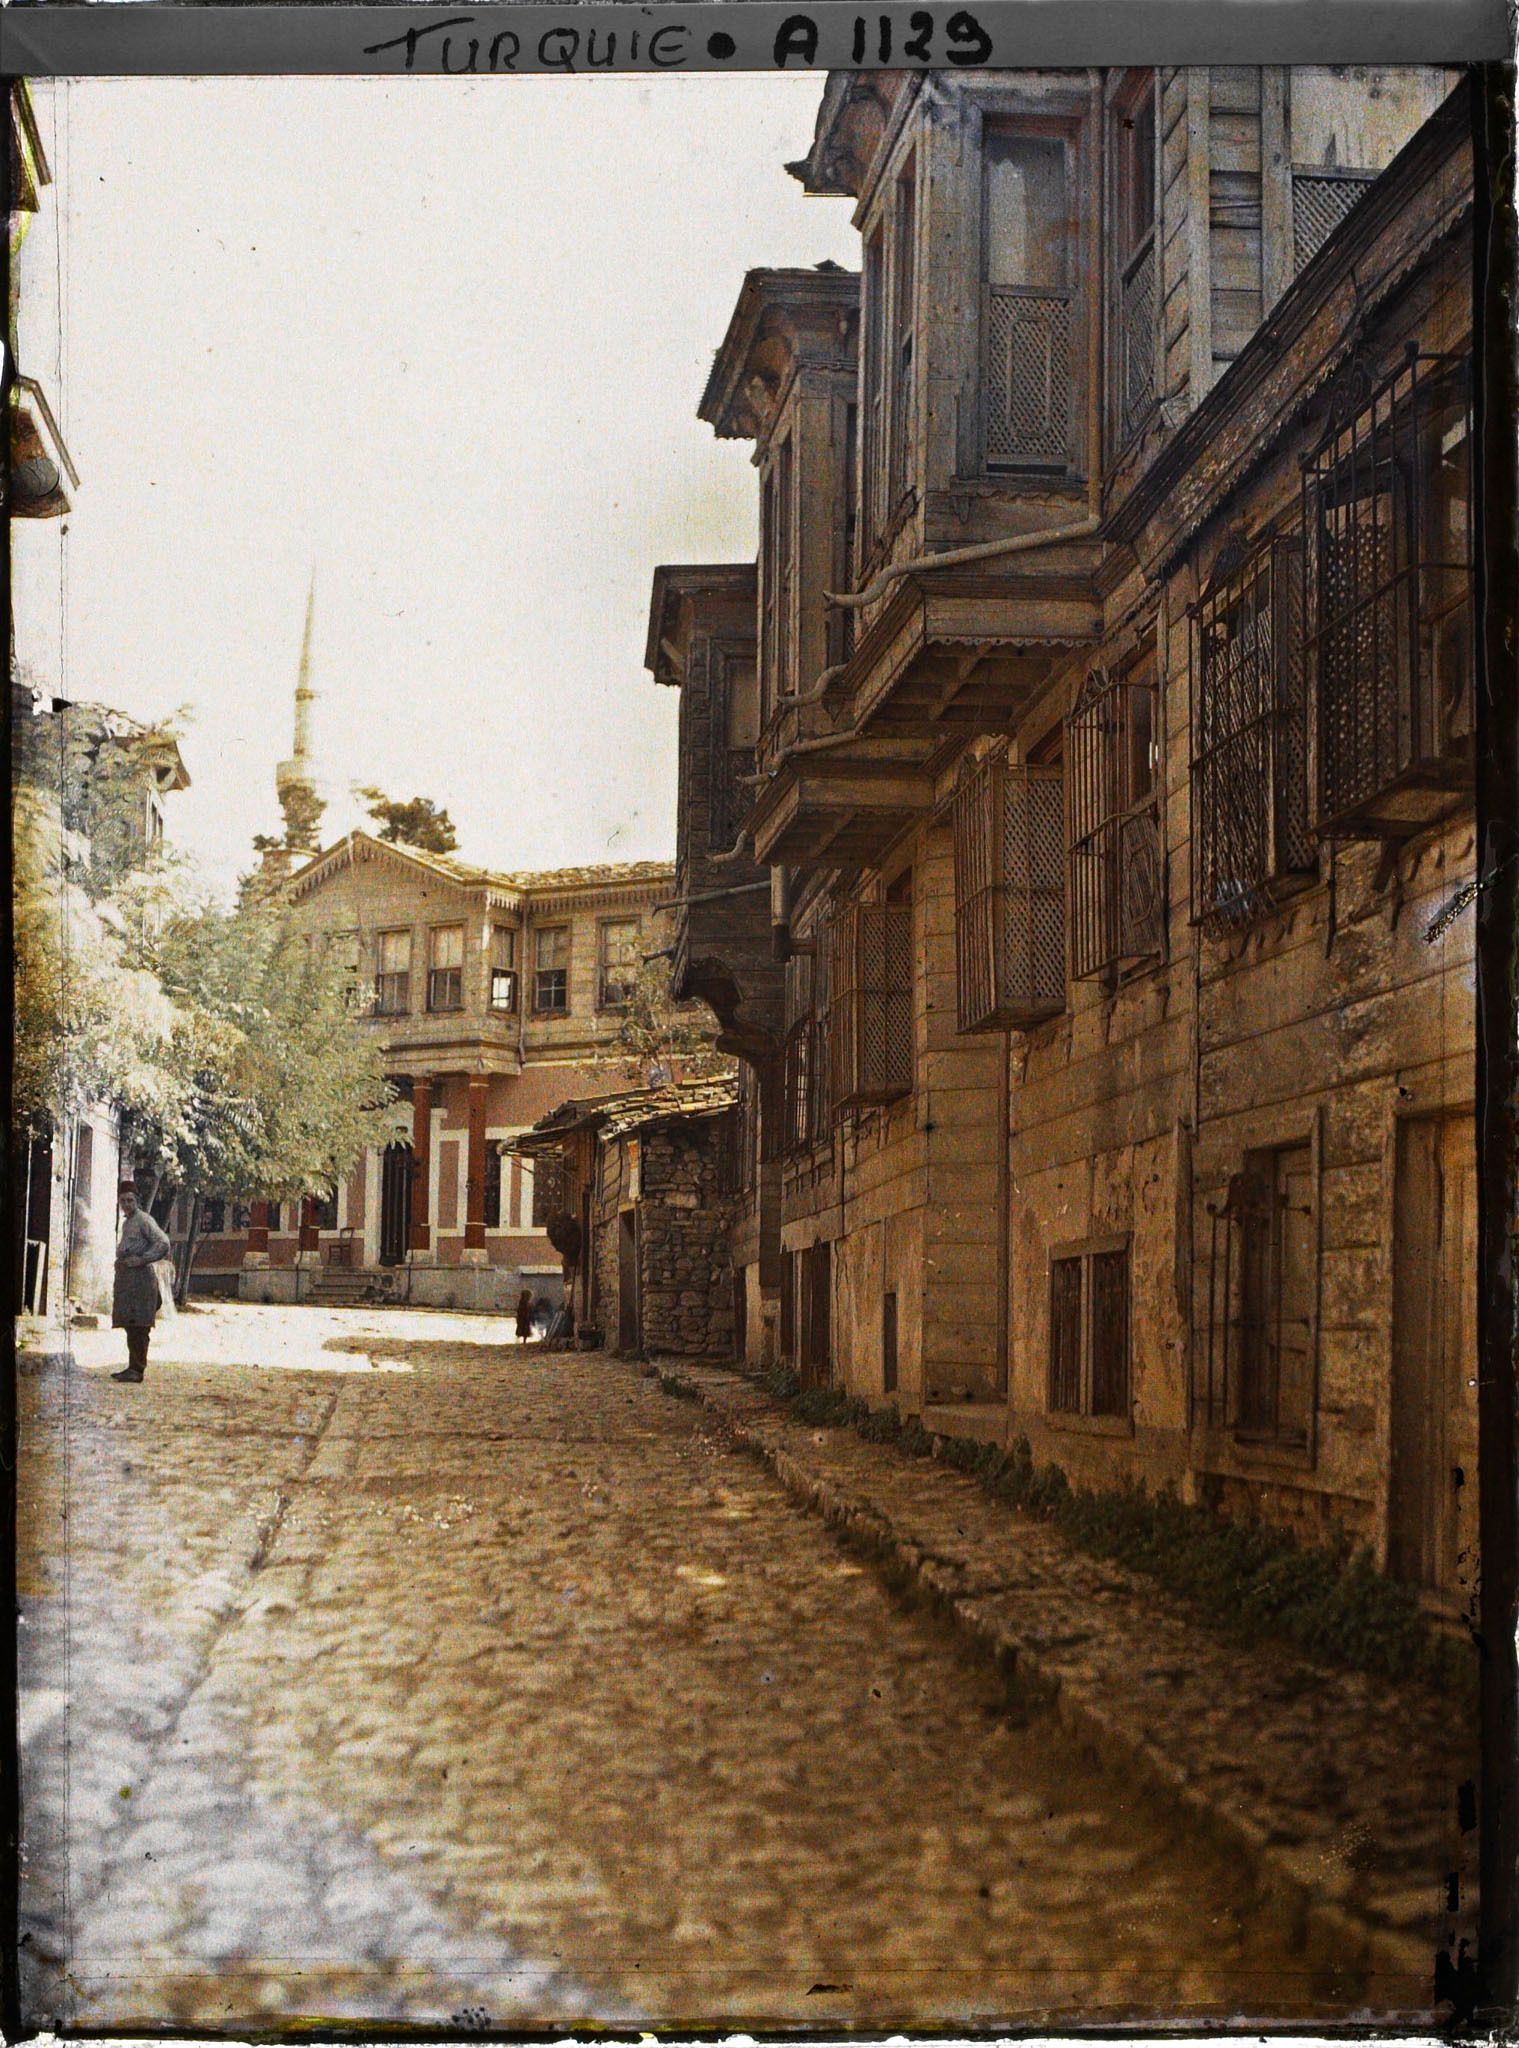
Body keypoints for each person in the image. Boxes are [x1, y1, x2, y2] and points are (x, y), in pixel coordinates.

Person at [111, 1179, 172, 1384]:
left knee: (140, 1325)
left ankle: (137, 1370)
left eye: (130, 1200)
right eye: (123, 1200)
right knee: (131, 1324)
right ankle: (132, 1367)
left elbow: (163, 1242)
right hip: (129, 1282)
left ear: (137, 1200)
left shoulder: (144, 1220)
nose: (127, 1204)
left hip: (141, 1281)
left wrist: (143, 1259)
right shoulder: (128, 1222)